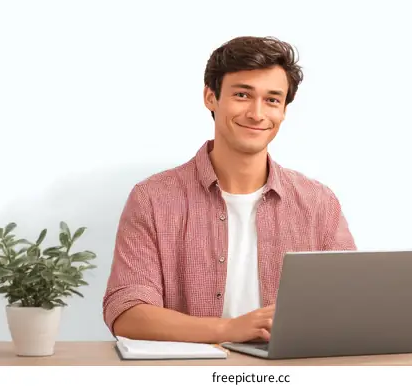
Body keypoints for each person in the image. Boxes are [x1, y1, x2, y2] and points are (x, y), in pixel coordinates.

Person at [102, 36, 357, 344]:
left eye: (273, 100)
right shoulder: (153, 199)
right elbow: (127, 312)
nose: (257, 113)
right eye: (242, 95)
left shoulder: (319, 203)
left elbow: (349, 304)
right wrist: (227, 329)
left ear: (284, 110)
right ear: (211, 97)